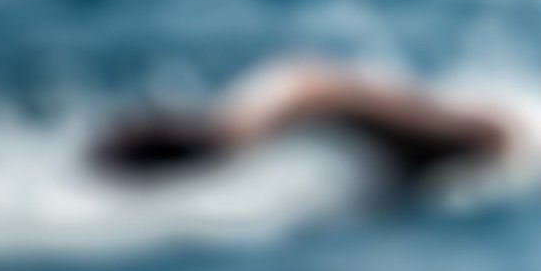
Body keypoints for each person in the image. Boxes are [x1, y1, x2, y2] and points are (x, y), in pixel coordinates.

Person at [90, 58, 516, 190]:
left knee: (225, 137)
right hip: (300, 92)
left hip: (298, 91)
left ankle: (153, 152)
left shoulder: (430, 128)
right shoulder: (432, 127)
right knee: (226, 136)